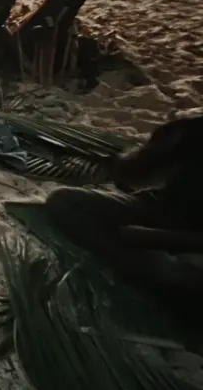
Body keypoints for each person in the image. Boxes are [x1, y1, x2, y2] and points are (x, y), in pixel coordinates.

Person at [43, 115, 203, 301]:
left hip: (188, 244)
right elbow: (132, 170)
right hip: (160, 211)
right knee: (64, 201)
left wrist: (154, 237)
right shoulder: (192, 130)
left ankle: (142, 266)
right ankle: (136, 264)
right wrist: (140, 154)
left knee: (176, 273)